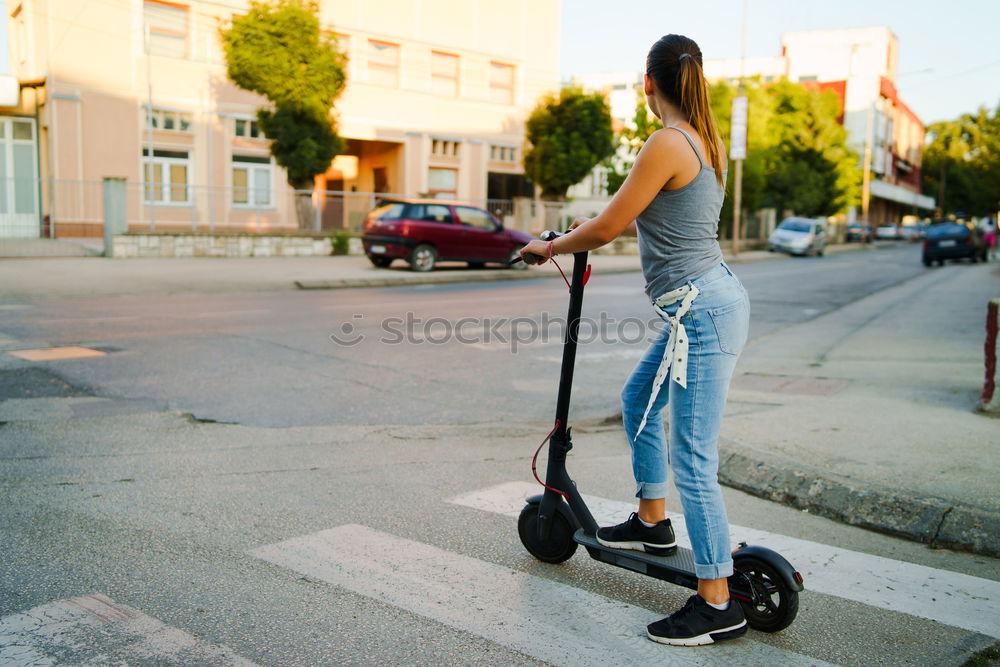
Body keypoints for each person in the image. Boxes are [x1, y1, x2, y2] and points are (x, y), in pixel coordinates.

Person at [521, 34, 750, 647]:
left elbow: (613, 225)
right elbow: (626, 213)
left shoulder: (667, 141)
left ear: (648, 82)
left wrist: (551, 246)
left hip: (701, 311)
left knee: (694, 459)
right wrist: (583, 229)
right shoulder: (703, 139)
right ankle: (653, 522)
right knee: (636, 403)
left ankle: (717, 601)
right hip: (699, 308)